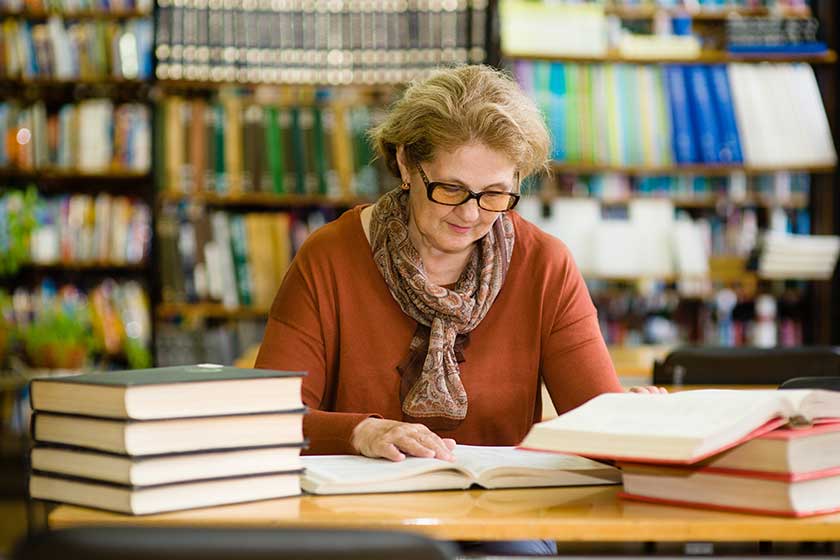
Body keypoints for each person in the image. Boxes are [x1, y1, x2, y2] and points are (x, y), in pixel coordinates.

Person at [255, 65, 663, 556]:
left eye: (494, 194)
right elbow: (268, 419)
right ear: (406, 164)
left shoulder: (544, 265)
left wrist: (636, 424)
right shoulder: (329, 257)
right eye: (449, 189)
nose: (470, 215)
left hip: (501, 521)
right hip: (361, 520)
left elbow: (593, 419)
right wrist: (360, 432)